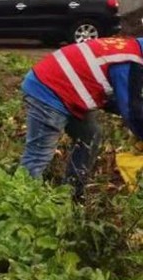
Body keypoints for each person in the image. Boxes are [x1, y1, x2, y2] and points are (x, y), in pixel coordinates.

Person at [19, 36, 143, 197]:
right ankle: (19, 203)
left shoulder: (129, 49)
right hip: (48, 90)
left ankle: (72, 193)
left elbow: (120, 99)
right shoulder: (128, 61)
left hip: (69, 90)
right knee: (38, 154)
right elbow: (130, 110)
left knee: (90, 135)